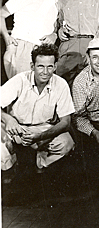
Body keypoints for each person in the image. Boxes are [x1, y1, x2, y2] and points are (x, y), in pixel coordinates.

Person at [1, 44, 74, 173]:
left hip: (43, 128)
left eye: (50, 66)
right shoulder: (20, 80)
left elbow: (66, 122)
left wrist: (40, 137)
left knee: (66, 143)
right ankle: (10, 168)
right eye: (40, 66)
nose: (45, 72)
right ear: (32, 66)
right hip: (16, 126)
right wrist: (7, 119)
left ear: (55, 66)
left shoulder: (61, 84)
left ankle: (40, 164)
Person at [1, 0, 58, 79]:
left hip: (45, 50)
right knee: (23, 89)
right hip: (22, 49)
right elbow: (1, 15)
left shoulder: (56, 0)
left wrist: (54, 34)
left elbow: (55, 23)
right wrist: (7, 37)